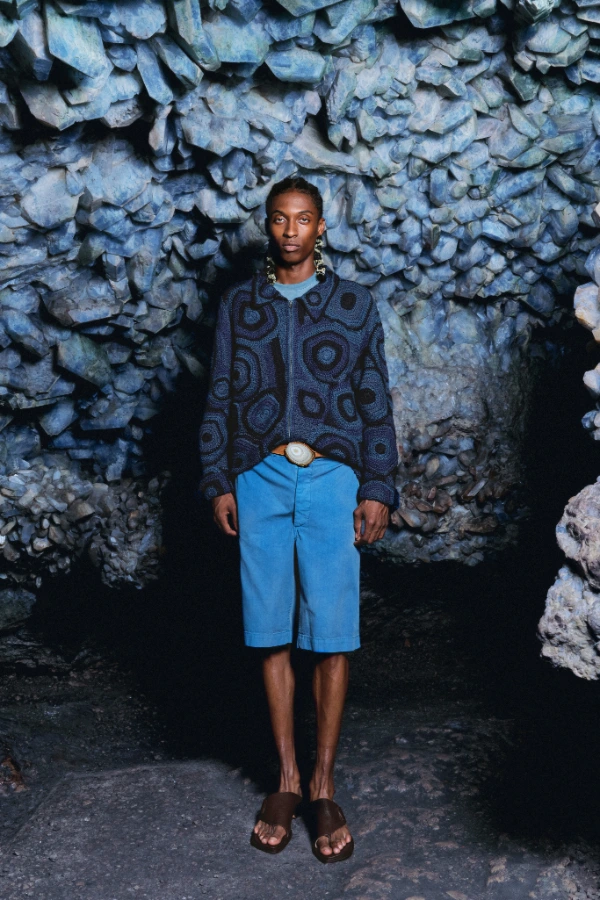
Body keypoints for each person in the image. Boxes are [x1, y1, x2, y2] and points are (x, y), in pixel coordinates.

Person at [199, 175, 398, 862]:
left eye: (303, 218)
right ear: (268, 226)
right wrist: (217, 479)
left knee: (332, 633)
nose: (291, 231)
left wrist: (378, 486)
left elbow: (375, 398)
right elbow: (219, 394)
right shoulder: (240, 304)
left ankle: (322, 784)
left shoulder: (353, 304)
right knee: (269, 630)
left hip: (334, 478)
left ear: (321, 227)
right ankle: (285, 777)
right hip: (257, 478)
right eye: (280, 219)